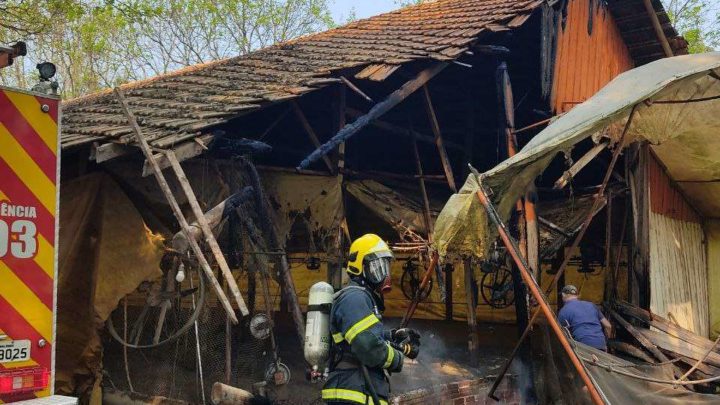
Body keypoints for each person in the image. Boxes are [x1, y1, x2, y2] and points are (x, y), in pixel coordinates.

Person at [322, 234, 421, 405]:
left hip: (360, 389)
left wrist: (391, 337)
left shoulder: (363, 298)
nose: (383, 274)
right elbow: (368, 347)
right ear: (359, 266)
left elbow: (365, 337)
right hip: (352, 392)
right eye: (377, 267)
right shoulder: (354, 297)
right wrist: (398, 359)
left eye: (385, 267)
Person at [558, 285, 612, 351]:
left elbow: (562, 334)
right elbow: (608, 326)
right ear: (577, 295)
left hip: (582, 345)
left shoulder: (564, 311)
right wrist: (605, 341)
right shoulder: (592, 305)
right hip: (600, 344)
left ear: (563, 295)